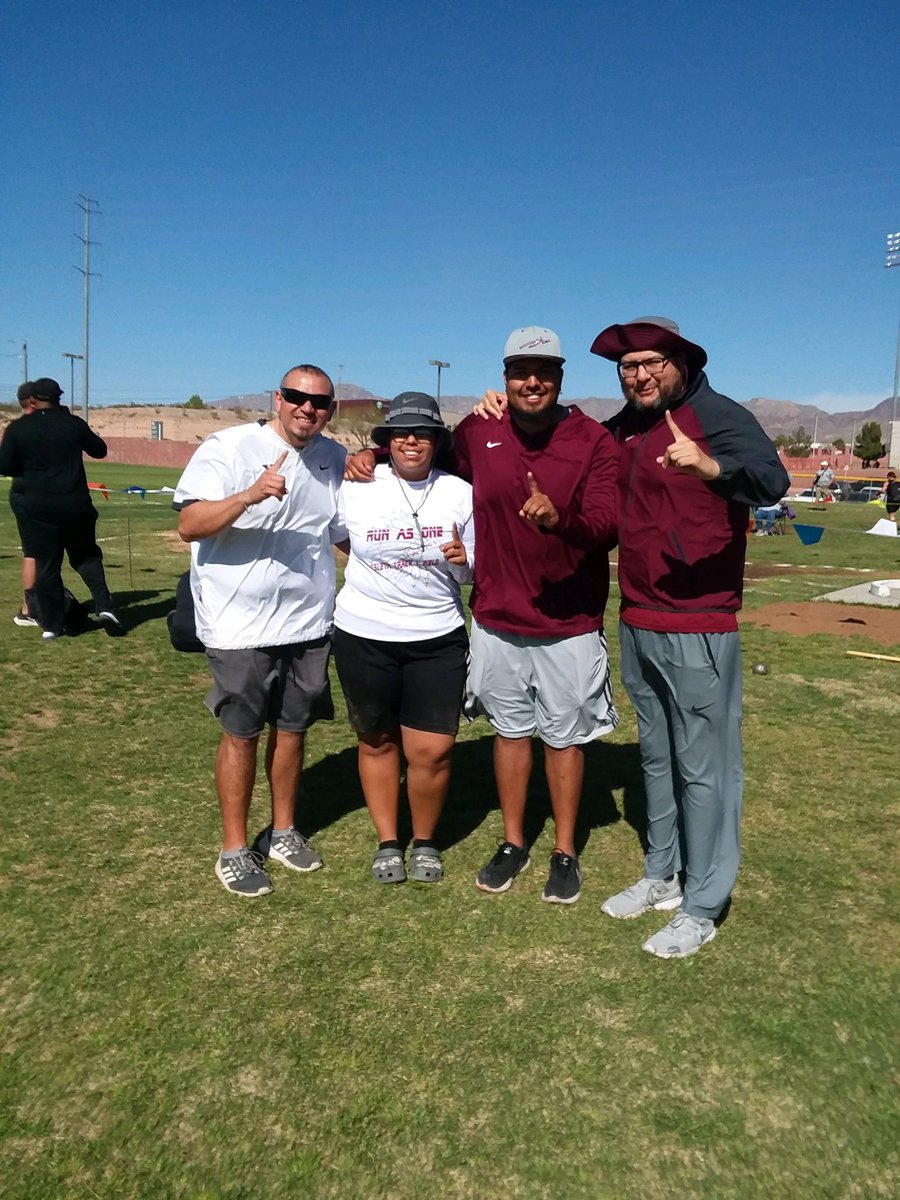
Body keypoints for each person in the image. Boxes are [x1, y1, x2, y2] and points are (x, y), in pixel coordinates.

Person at [348, 328, 619, 904]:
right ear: (505, 378)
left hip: (568, 620)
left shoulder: (593, 439)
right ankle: (514, 841)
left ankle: (565, 850)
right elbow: (418, 452)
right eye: (521, 370)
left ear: (562, 377)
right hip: (496, 614)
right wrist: (370, 453)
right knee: (510, 733)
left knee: (565, 740)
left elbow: (606, 527)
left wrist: (558, 520)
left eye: (544, 370)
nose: (532, 381)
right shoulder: (477, 431)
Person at [590, 316, 790, 957]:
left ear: (680, 361)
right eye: (629, 367)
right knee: (656, 757)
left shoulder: (718, 415)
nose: (640, 375)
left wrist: (710, 466)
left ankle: (703, 904)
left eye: (652, 363)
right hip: (638, 618)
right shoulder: (623, 427)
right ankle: (662, 874)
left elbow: (772, 483)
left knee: (706, 770)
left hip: (700, 623)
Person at [173, 364, 347, 899]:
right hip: (238, 623)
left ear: (331, 410)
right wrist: (248, 496)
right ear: (279, 398)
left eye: (320, 402)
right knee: (242, 733)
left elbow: (341, 533)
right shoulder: (229, 447)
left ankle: (285, 831)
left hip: (308, 621)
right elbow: (189, 524)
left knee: (294, 728)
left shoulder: (333, 457)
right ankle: (233, 849)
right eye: (297, 397)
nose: (307, 409)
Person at [334, 392, 474, 885]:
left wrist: (463, 561)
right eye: (401, 433)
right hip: (363, 633)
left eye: (422, 433)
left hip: (437, 636)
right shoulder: (357, 484)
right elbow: (336, 535)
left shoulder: (460, 491)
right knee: (375, 741)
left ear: (437, 440)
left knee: (432, 749)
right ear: (387, 440)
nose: (411, 441)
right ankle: (389, 841)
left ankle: (426, 842)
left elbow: (471, 572)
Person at [0, 377, 121, 640]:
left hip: (38, 508)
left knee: (46, 564)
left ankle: (52, 625)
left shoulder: (19, 428)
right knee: (86, 557)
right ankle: (105, 607)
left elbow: (5, 466)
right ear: (59, 398)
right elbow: (99, 450)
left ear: (32, 401)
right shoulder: (73, 424)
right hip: (75, 503)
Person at [8, 382, 38, 626]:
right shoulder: (29, 427)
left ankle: (35, 606)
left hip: (23, 494)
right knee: (34, 553)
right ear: (32, 401)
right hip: (31, 496)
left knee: (36, 553)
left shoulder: (16, 428)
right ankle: (29, 609)